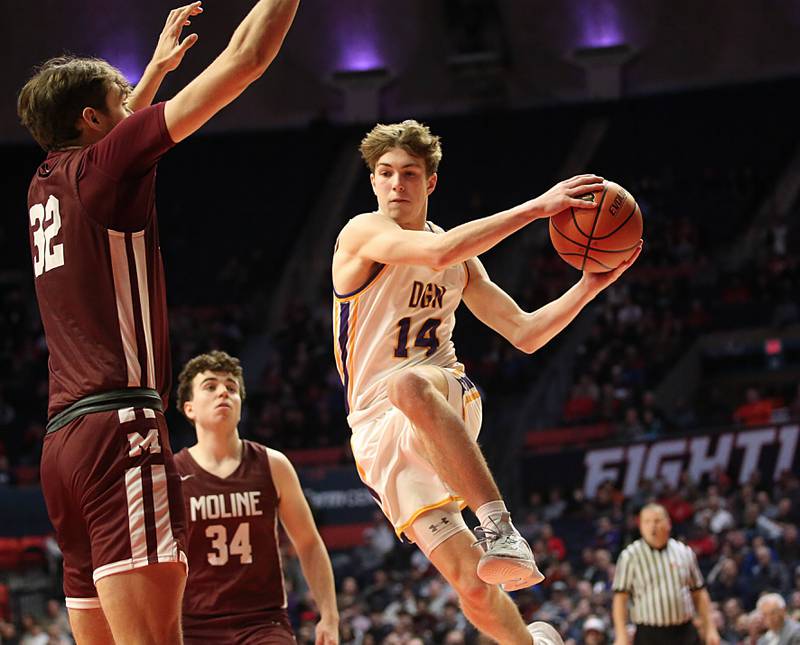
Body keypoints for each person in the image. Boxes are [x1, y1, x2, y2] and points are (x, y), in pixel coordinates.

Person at [18, 1, 300, 642]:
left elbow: (113, 140)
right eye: (120, 103)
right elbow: (246, 59)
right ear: (93, 120)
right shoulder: (103, 170)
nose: (134, 110)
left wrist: (148, 74)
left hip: (63, 447)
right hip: (121, 432)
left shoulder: (43, 183)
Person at [331, 119, 640, 644]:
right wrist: (535, 208)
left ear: (430, 182)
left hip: (442, 393)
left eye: (409, 174)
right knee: (471, 583)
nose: (396, 185)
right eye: (385, 174)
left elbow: (523, 331)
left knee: (407, 386)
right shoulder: (362, 234)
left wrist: (589, 286)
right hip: (375, 436)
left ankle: (501, 527)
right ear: (373, 182)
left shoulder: (459, 259)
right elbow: (436, 253)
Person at [174, 350, 339, 644]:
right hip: (193, 625)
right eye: (210, 386)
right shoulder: (172, 474)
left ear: (240, 403)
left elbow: (309, 542)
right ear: (189, 408)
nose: (223, 392)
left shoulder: (273, 464)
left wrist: (329, 615)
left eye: (231, 387)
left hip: (263, 622)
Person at [612, 503, 720, 645]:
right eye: (647, 522)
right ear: (641, 527)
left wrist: (710, 628)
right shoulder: (629, 556)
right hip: (649, 633)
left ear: (668, 523)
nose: (652, 526)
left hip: (684, 630)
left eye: (657, 521)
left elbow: (699, 593)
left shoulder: (684, 552)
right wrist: (621, 635)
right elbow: (620, 599)